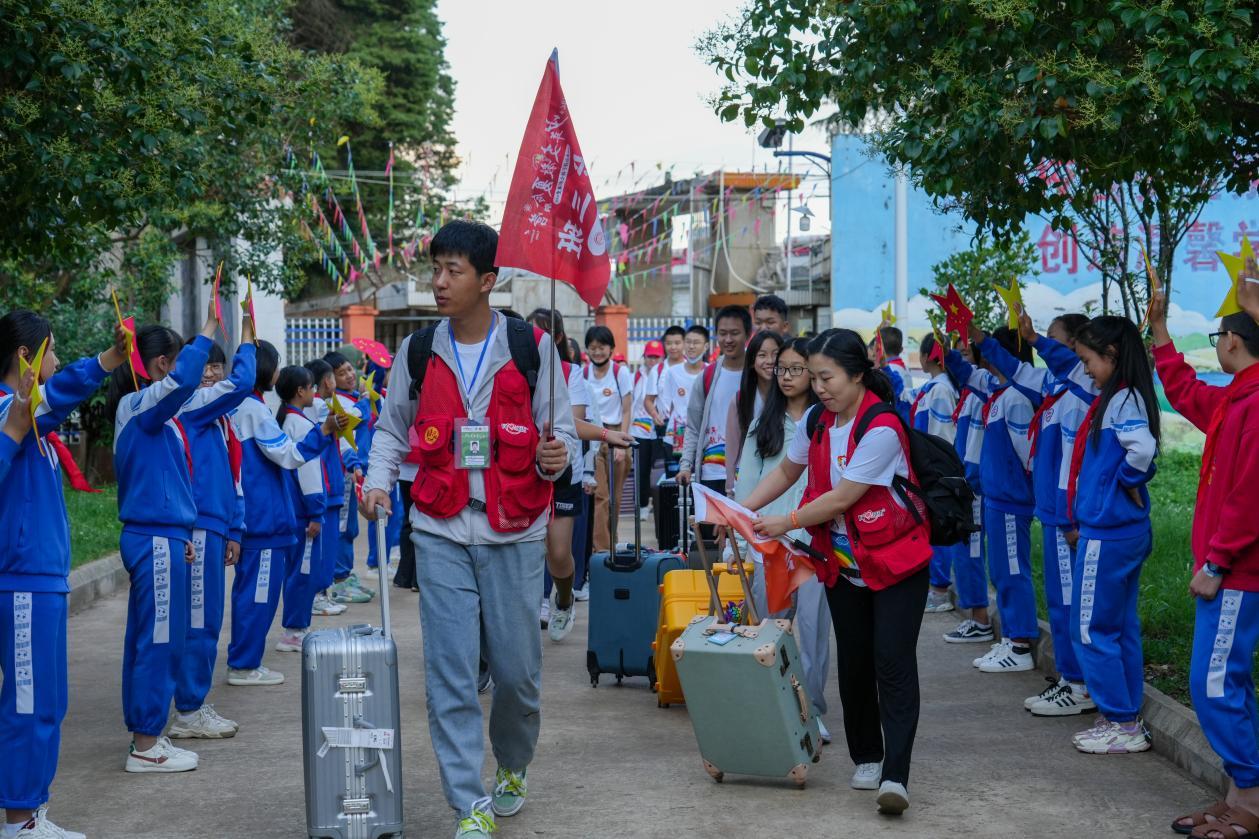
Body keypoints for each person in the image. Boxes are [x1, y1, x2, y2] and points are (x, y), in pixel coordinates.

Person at [360, 220, 576, 839]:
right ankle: (467, 802)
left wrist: (554, 458)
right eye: (437, 269)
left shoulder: (531, 347)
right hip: (439, 528)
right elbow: (391, 430)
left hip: (515, 531)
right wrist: (379, 481)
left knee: (516, 675)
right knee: (450, 674)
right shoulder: (419, 350)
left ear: (489, 280)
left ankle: (512, 764)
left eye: (454, 271)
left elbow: (558, 439)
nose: (440, 282)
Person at [744, 328, 931, 816]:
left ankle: (896, 774)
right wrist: (739, 511)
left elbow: (844, 496)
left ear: (857, 375)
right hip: (845, 566)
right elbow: (788, 472)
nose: (819, 387)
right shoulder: (816, 421)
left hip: (896, 566)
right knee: (854, 663)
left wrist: (786, 521)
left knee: (891, 662)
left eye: (827, 377)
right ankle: (867, 755)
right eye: (815, 376)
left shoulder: (882, 426)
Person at [1, 311, 126, 837]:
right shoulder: (11, 411)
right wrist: (107, 361)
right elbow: (62, 392)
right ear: (26, 359)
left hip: (44, 581)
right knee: (28, 703)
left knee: (48, 701)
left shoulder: (30, 418)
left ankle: (31, 811)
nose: (57, 361)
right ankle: (18, 818)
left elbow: (55, 399)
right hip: (23, 581)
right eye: (51, 351)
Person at [1154, 282, 1259, 835]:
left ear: (1235, 342)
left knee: (1214, 682)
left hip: (1238, 571)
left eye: (1220, 335)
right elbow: (1187, 393)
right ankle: (1239, 792)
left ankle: (1252, 798)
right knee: (1224, 680)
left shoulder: (1257, 400)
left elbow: (1250, 495)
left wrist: (1216, 563)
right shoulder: (1239, 395)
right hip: (1228, 569)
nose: (1216, 343)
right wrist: (1162, 335)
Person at [107, 310, 215, 773]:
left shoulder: (148, 415)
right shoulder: (141, 407)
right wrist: (209, 330)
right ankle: (147, 744)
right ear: (161, 364)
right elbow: (187, 379)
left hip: (160, 536)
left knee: (151, 638)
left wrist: (178, 534)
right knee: (158, 641)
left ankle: (147, 736)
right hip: (153, 538)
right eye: (176, 361)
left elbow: (164, 483)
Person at [987, 310, 1098, 716]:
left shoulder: (1081, 388)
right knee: (1059, 598)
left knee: (1070, 601)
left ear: (1076, 346)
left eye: (1052, 339)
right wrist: (980, 340)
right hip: (1053, 512)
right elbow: (1014, 368)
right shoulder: (1056, 387)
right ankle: (1071, 679)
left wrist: (1034, 339)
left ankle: (1080, 684)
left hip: (1066, 514)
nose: (1040, 343)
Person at [1064, 315, 1159, 755]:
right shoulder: (1124, 396)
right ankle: (1125, 714)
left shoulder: (1121, 401)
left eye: (1088, 361)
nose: (1085, 369)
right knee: (1118, 626)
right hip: (1121, 531)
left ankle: (1120, 721)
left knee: (1091, 626)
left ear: (1112, 356)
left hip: (1108, 534)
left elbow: (1142, 450)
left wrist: (1121, 482)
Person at [729, 336, 829, 742]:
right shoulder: (763, 423)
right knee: (770, 629)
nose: (786, 376)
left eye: (795, 369)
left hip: (815, 541)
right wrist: (739, 530)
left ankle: (812, 711)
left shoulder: (827, 422)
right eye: (781, 369)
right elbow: (747, 485)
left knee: (813, 632)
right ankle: (775, 707)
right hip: (770, 543)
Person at [226, 341, 339, 688]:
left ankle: (246, 661)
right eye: (275, 364)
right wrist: (323, 433)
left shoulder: (250, 406)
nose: (278, 372)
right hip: (262, 520)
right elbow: (288, 455)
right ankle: (244, 665)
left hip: (261, 518)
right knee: (258, 595)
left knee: (254, 593)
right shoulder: (254, 410)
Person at [168, 326, 256, 741]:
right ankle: (188, 709)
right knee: (200, 621)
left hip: (216, 525)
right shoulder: (191, 405)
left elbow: (234, 480)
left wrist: (235, 528)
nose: (209, 373)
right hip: (199, 523)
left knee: (207, 619)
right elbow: (244, 383)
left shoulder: (220, 422)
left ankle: (193, 703)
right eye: (201, 366)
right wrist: (249, 344)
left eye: (215, 365)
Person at [525, 309, 630, 638]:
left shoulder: (570, 373)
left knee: (558, 553)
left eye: (539, 333)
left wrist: (604, 434)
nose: (530, 340)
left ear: (556, 338)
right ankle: (536, 601)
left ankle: (565, 597)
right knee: (527, 548)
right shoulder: (514, 370)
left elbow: (571, 423)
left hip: (561, 471)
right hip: (521, 472)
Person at [946, 327, 1041, 672]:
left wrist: (1028, 491)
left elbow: (1028, 454)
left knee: (1013, 570)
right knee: (1001, 570)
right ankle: (1009, 639)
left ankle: (1020, 645)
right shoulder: (998, 392)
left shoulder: (1015, 398)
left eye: (987, 347)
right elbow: (964, 371)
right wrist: (948, 343)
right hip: (997, 497)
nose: (979, 353)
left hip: (1011, 499)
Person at [940, 339, 994, 645]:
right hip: (965, 481)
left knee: (972, 552)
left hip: (974, 485)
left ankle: (981, 619)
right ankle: (976, 616)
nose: (961, 360)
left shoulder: (982, 393)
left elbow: (978, 442)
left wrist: (970, 477)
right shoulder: (970, 394)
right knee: (964, 552)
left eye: (965, 353)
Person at [274, 365, 327, 654]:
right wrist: (316, 512)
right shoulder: (303, 427)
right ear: (300, 392)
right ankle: (294, 631)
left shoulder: (284, 421)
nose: (314, 392)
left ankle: (295, 627)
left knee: (295, 569)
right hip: (303, 513)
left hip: (290, 509)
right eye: (311, 387)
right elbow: (309, 475)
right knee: (303, 571)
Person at [910, 334, 961, 614]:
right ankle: (936, 586)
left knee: (939, 525)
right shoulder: (933, 387)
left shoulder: (940, 390)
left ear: (928, 355)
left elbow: (941, 434)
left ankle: (940, 590)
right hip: (928, 465)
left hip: (937, 467)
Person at [678, 305, 751, 501]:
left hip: (748, 474)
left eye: (734, 333)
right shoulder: (707, 377)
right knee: (710, 531)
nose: (728, 340)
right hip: (711, 473)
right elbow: (693, 427)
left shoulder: (757, 375)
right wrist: (686, 465)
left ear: (747, 334)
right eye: (722, 333)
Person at [304, 359, 352, 613]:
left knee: (327, 544)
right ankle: (317, 596)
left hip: (329, 485)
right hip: (326, 485)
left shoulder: (319, 407)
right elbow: (345, 431)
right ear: (327, 381)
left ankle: (321, 593)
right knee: (323, 547)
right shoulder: (321, 407)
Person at [323, 350, 371, 603]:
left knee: (350, 525)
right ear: (330, 380)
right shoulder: (339, 403)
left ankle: (345, 573)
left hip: (355, 470)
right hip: (345, 472)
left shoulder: (350, 397)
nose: (350, 375)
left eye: (350, 369)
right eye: (342, 373)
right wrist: (365, 399)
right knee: (343, 526)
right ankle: (339, 579)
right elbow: (358, 417)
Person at [584, 325, 633, 554]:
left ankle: (611, 541)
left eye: (601, 347)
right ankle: (601, 551)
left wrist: (622, 444)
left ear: (611, 348)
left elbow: (626, 410)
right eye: (593, 348)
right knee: (600, 496)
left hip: (616, 437)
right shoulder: (583, 374)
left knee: (615, 498)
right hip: (593, 437)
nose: (597, 352)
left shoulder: (620, 372)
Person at [724, 330, 785, 494]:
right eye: (762, 355)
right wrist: (731, 487)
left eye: (776, 354)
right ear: (752, 361)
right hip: (749, 481)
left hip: (784, 480)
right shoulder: (740, 400)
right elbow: (733, 447)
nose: (770, 361)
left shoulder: (790, 396)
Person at [656, 325, 709, 458]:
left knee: (700, 477)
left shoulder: (711, 372)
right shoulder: (672, 372)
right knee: (675, 478)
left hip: (704, 435)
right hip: (677, 435)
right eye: (688, 342)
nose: (691, 346)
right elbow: (665, 405)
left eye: (696, 343)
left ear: (706, 346)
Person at [629, 339, 665, 517]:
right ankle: (642, 505)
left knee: (658, 471)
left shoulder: (666, 373)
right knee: (641, 470)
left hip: (659, 430)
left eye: (656, 357)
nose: (653, 361)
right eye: (650, 357)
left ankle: (658, 505)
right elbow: (629, 404)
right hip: (640, 431)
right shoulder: (636, 376)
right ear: (644, 357)